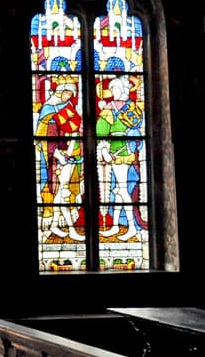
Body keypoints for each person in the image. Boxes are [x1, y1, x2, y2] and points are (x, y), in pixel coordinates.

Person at [35, 78, 84, 241]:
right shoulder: (47, 109)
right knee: (61, 192)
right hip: (55, 157)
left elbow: (74, 127)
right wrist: (57, 154)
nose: (68, 97)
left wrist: (71, 148)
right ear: (60, 91)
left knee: (61, 192)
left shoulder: (68, 108)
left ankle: (55, 225)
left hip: (69, 154)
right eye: (67, 94)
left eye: (71, 94)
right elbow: (43, 135)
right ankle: (70, 229)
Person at [96, 76, 142, 241]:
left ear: (122, 90)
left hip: (123, 151)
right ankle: (115, 227)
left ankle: (131, 228)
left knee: (122, 190)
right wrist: (104, 152)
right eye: (111, 89)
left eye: (115, 88)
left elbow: (136, 128)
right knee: (117, 190)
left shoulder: (131, 107)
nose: (112, 92)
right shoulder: (109, 107)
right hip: (113, 149)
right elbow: (101, 130)